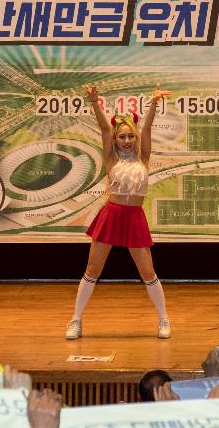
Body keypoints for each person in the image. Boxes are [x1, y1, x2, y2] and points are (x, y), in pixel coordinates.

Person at [66, 84, 172, 340]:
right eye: (121, 137)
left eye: (130, 136)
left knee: (148, 272)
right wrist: (94, 102)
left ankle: (163, 319)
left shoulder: (143, 159)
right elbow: (104, 127)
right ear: (115, 140)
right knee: (92, 269)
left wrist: (154, 103)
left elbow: (146, 128)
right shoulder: (111, 159)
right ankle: (75, 320)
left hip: (134, 218)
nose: (126, 141)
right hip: (111, 215)